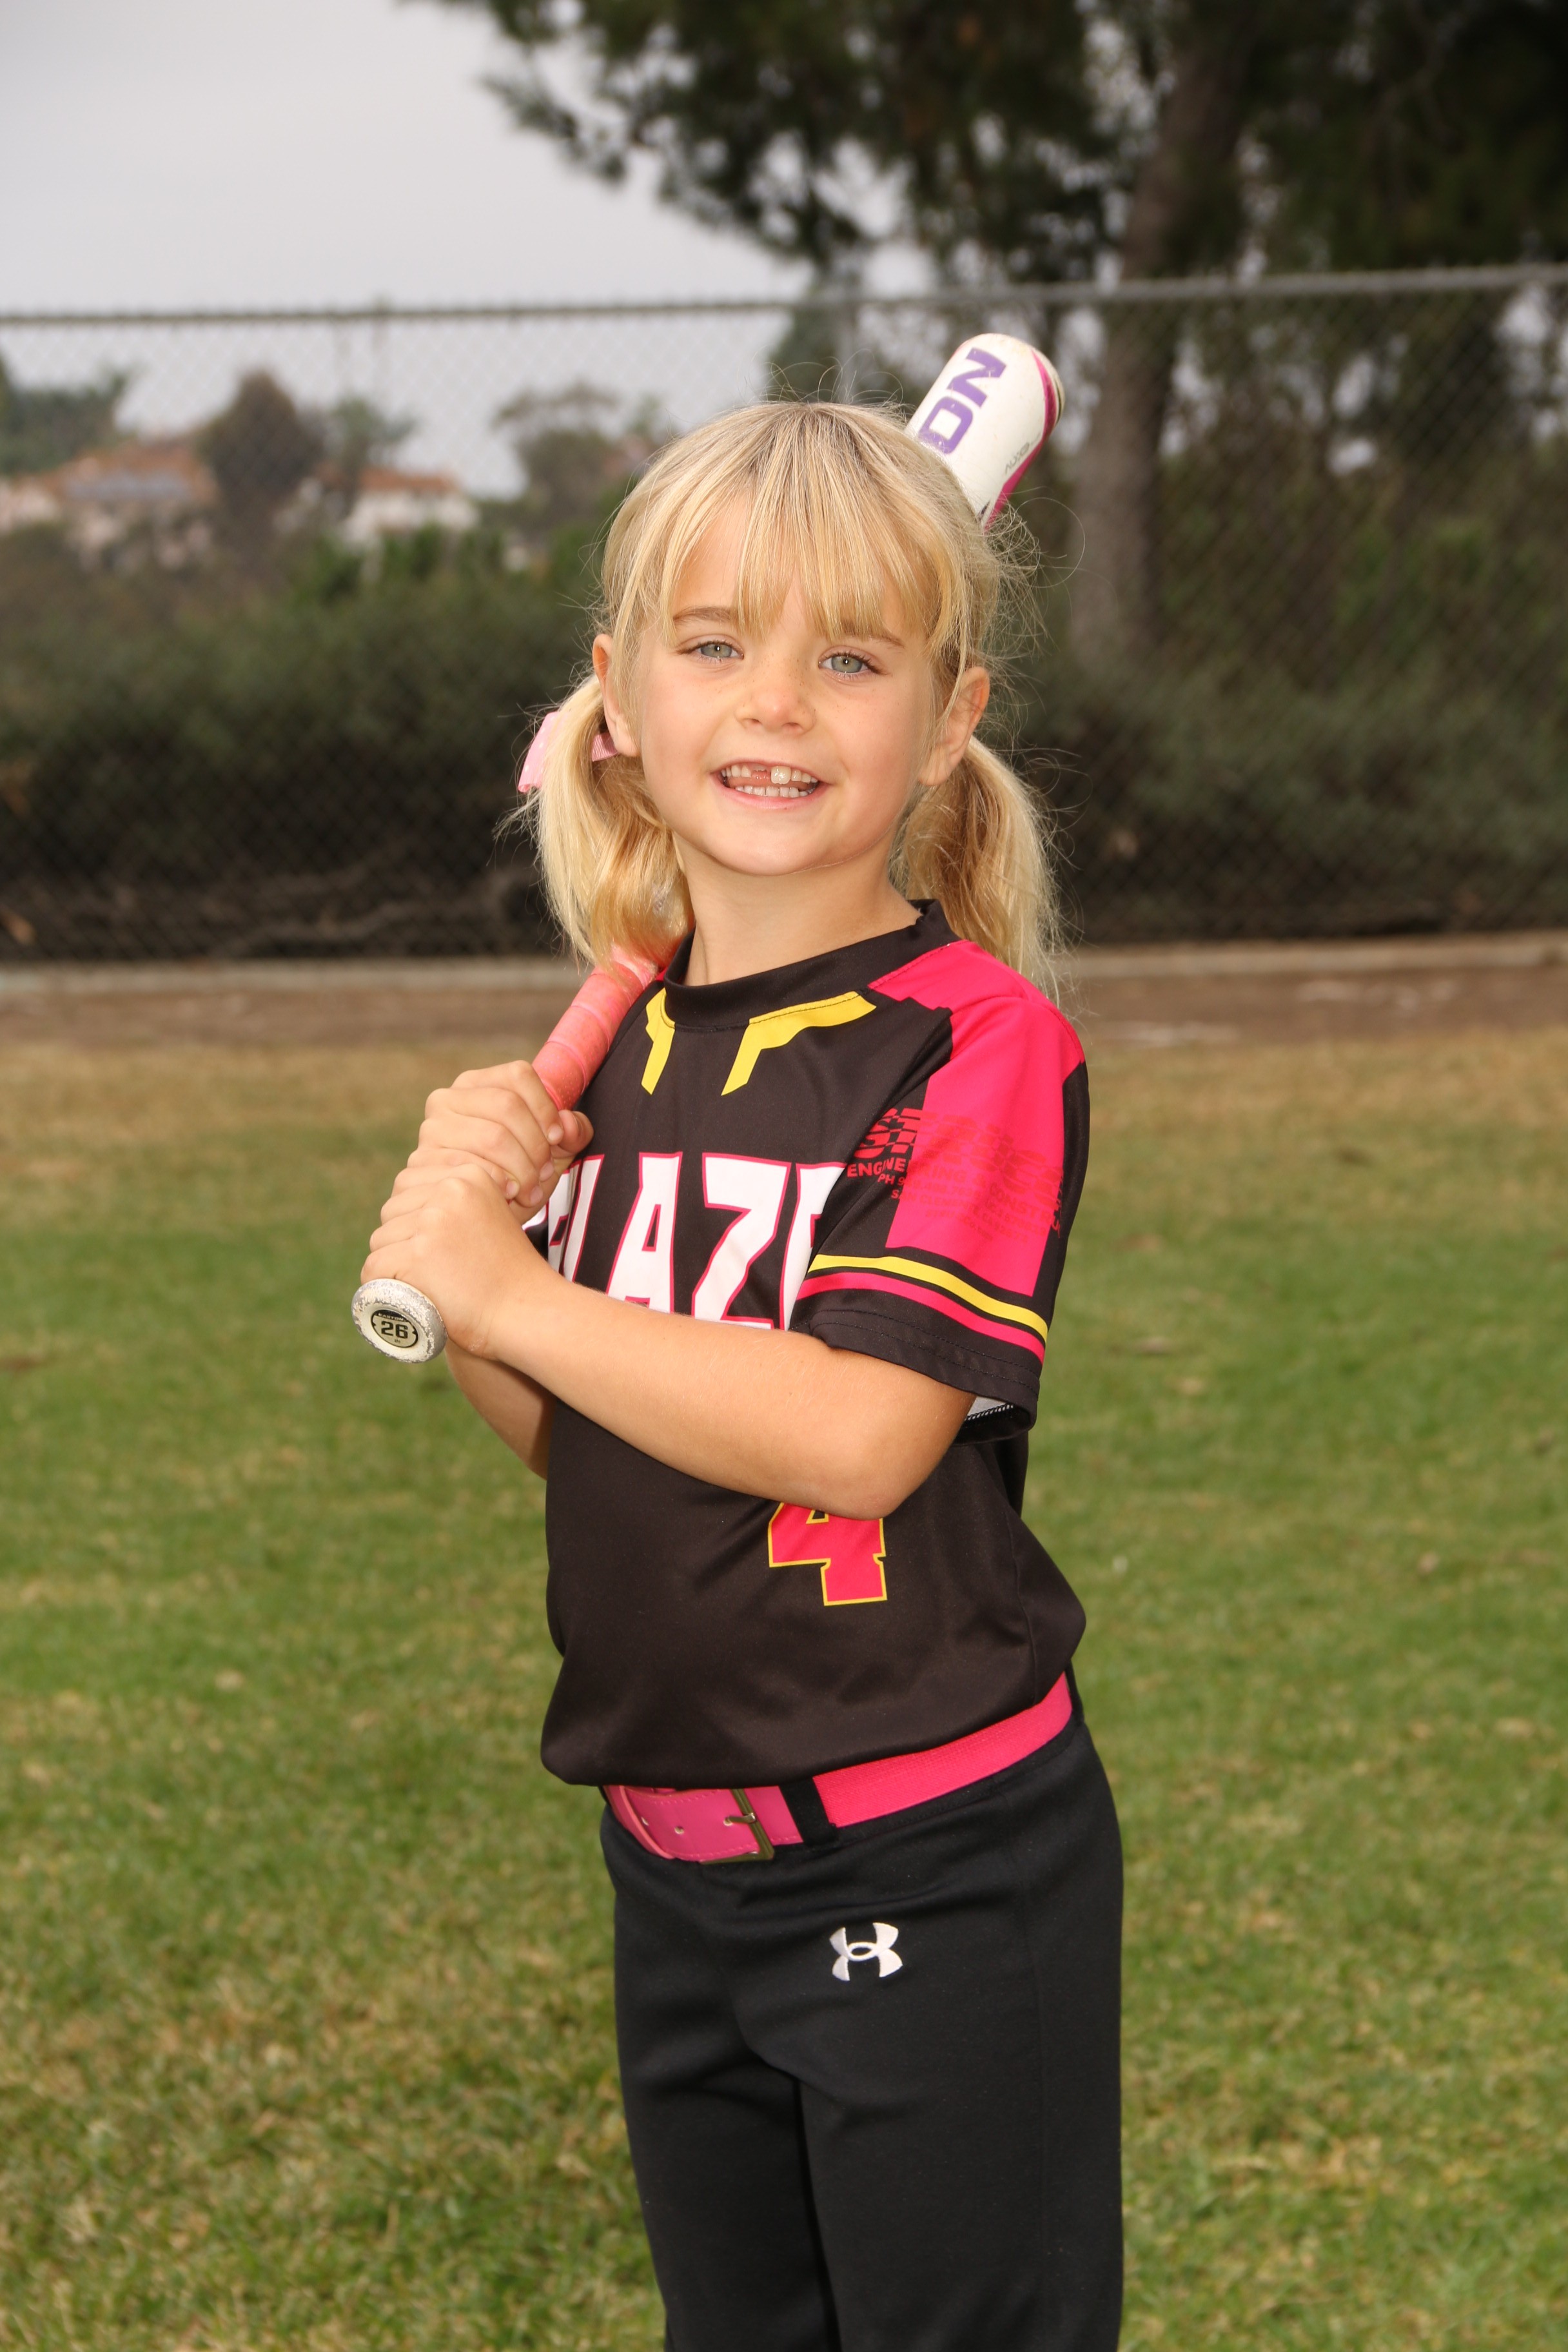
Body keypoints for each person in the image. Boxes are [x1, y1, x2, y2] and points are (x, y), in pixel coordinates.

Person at [360, 399, 1122, 2351]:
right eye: (714, 645)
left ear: (947, 720)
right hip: (676, 1858)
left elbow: (861, 1436)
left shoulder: (977, 1048)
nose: (776, 703)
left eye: (850, 660)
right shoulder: (627, 1046)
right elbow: (589, 1446)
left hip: (929, 1860)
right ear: (618, 698)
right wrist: (485, 1283)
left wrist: (517, 1297)